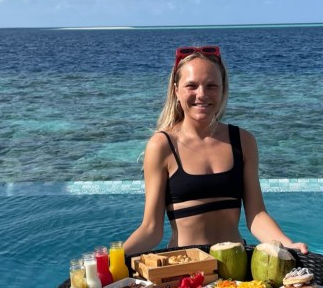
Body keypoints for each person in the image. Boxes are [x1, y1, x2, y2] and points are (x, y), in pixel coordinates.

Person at [123, 45, 308, 256]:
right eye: (191, 86)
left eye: (211, 85)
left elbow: (256, 215)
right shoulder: (162, 145)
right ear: (176, 90)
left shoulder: (243, 141)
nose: (201, 94)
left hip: (237, 268)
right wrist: (110, 261)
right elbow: (151, 230)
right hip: (185, 270)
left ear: (223, 89)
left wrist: (286, 243)